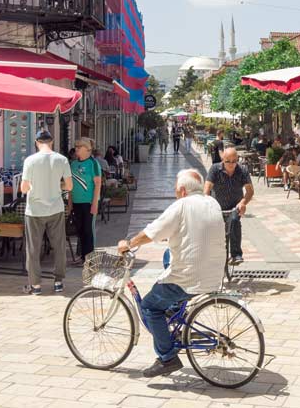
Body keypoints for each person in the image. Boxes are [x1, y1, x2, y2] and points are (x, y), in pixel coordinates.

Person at [117, 169, 225, 377]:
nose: (176, 194)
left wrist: (128, 244)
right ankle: (175, 309)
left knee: (149, 306)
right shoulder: (212, 203)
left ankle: (167, 358)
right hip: (213, 273)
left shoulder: (182, 205)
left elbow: (152, 232)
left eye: (176, 191)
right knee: (169, 254)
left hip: (189, 278)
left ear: (183, 191)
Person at [20, 130, 72, 295]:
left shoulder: (30, 160)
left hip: (34, 210)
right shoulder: (62, 159)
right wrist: (58, 187)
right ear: (52, 141)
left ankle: (35, 285)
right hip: (56, 208)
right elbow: (69, 186)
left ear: (36, 142)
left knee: (33, 248)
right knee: (59, 246)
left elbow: (23, 187)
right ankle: (58, 282)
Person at [204, 147, 253, 265]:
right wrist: (206, 202)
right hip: (217, 206)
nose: (231, 164)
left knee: (235, 221)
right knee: (213, 229)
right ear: (223, 160)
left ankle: (236, 254)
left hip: (235, 206)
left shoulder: (242, 170)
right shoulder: (215, 169)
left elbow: (250, 191)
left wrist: (243, 203)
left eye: (234, 161)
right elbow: (207, 188)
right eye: (228, 161)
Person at [69, 138, 102, 267]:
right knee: (80, 231)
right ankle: (82, 256)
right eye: (76, 147)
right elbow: (71, 185)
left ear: (87, 149)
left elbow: (98, 184)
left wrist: (94, 204)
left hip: (88, 202)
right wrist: (70, 202)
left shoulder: (93, 163)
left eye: (79, 147)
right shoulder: (73, 164)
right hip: (76, 202)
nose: (76, 149)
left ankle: (90, 258)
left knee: (88, 231)